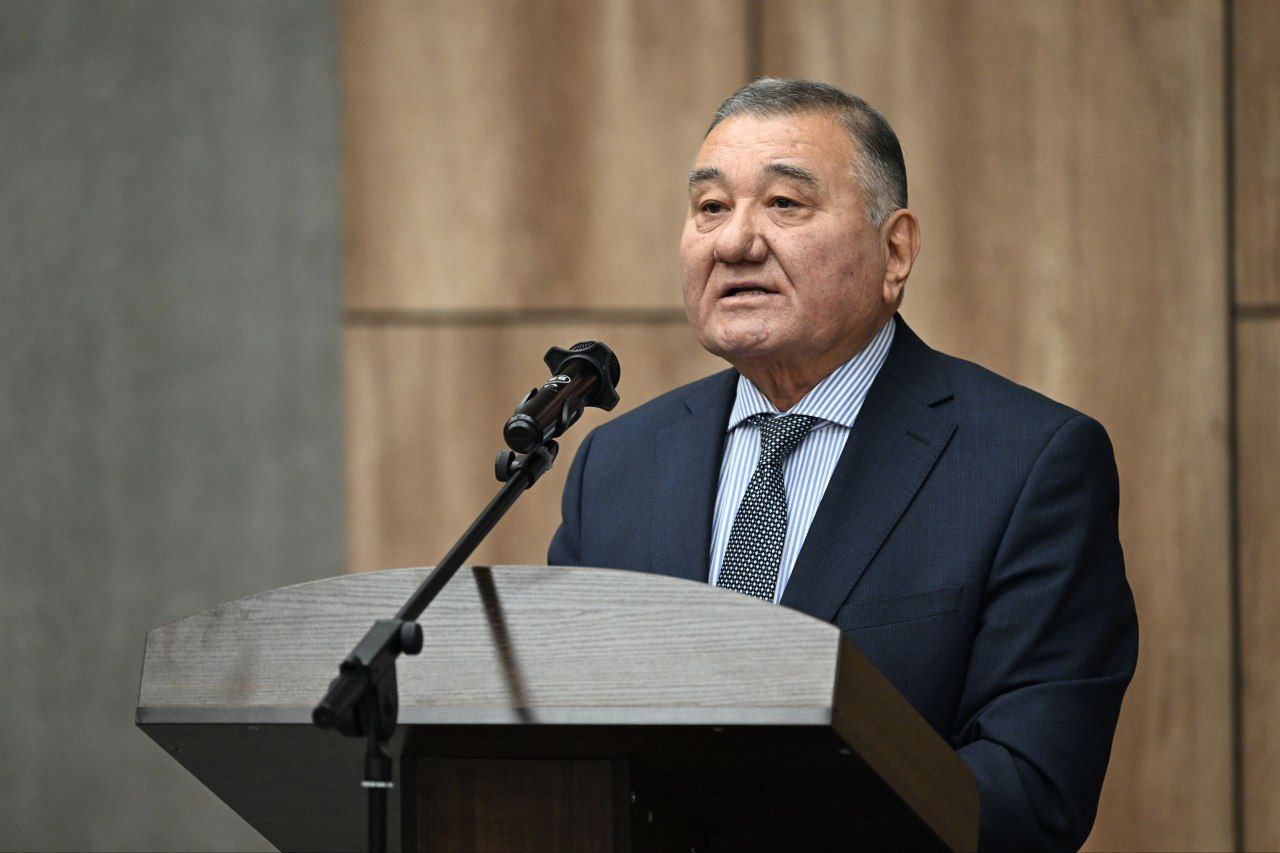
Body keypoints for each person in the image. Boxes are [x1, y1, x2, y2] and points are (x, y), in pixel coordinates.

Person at [548, 78, 1138, 852]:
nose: (734, 242)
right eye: (711, 207)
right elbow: (561, 744)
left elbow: (1032, 791)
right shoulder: (617, 465)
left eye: (784, 203)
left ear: (895, 251)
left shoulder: (1028, 464)